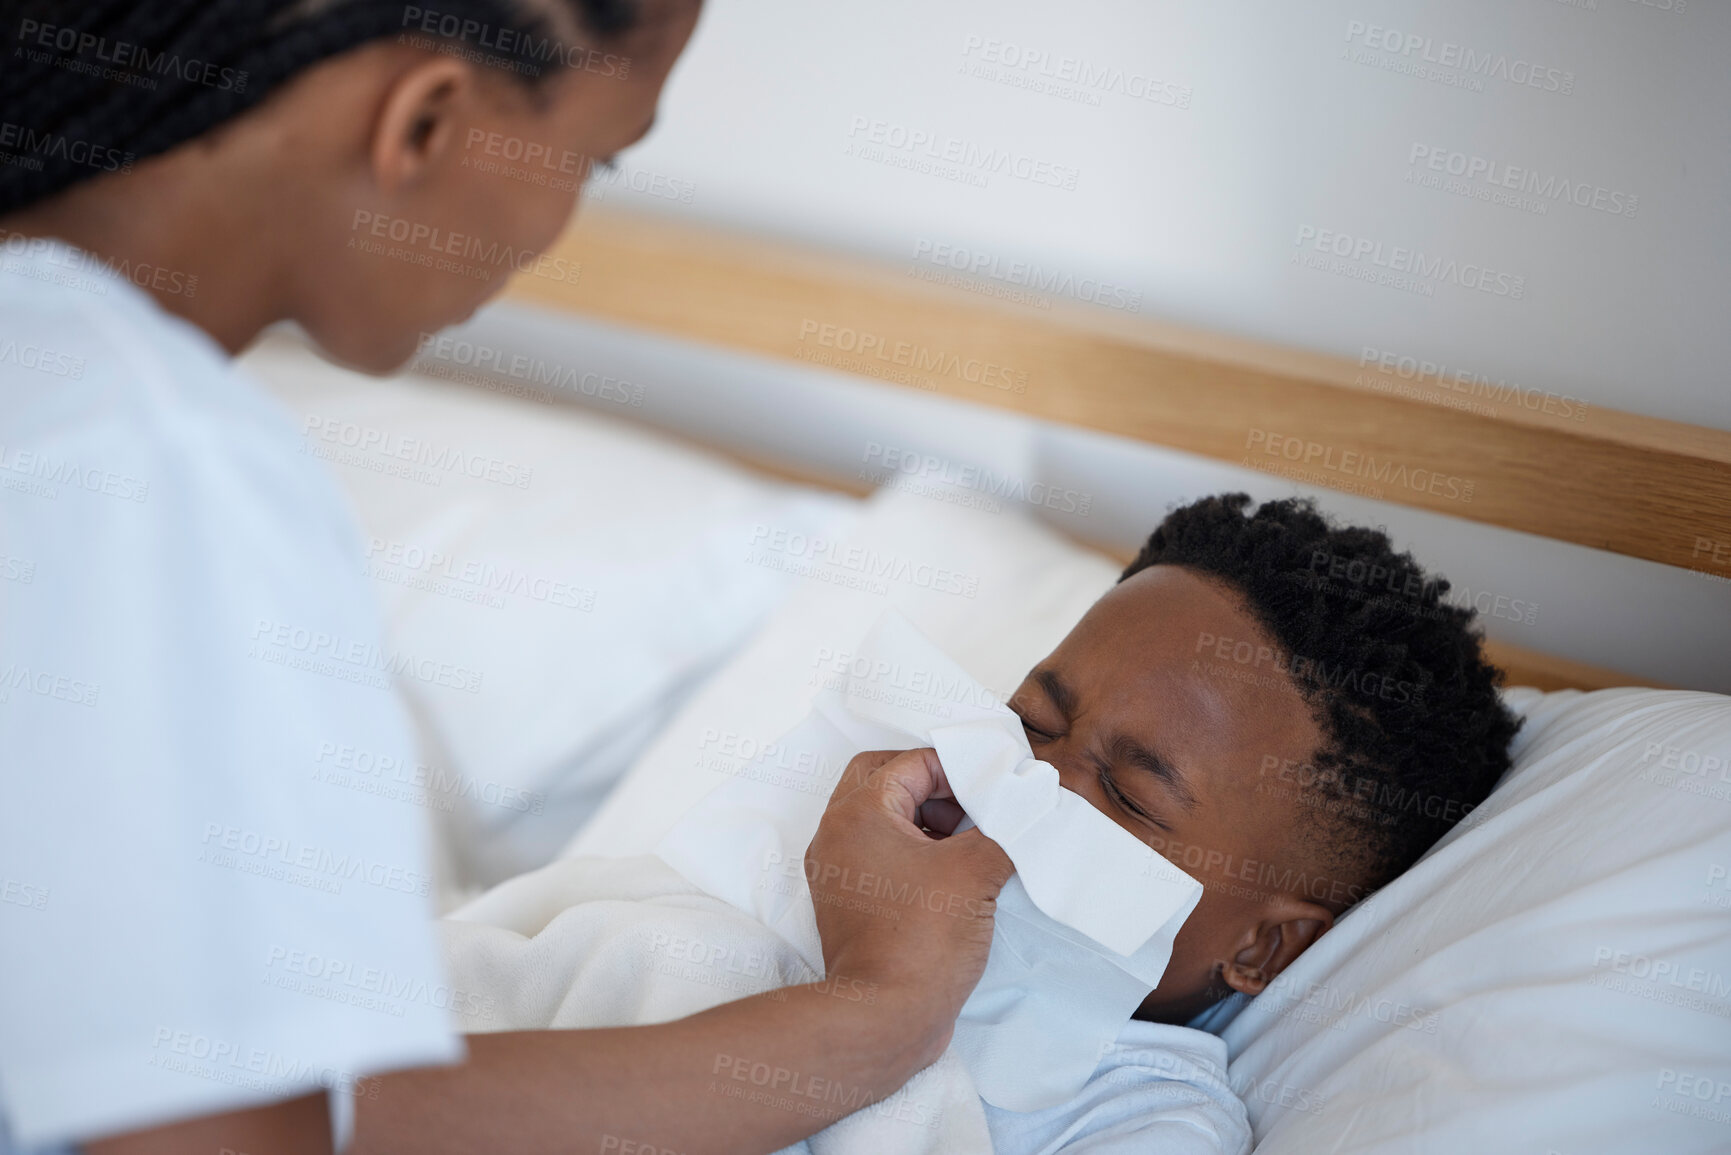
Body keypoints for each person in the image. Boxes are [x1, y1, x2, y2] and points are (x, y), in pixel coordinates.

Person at [0, 2, 1015, 1153]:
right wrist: (884, 1016)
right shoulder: (164, 464)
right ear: (424, 120)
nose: (560, 224)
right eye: (593, 158)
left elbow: (304, 1104)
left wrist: (874, 1020)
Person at [426, 493, 1523, 1154]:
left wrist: (880, 1002)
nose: (1025, 789)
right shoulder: (797, 861)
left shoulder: (1135, 1116)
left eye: (1131, 801)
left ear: (1262, 944)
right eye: (1030, 723)